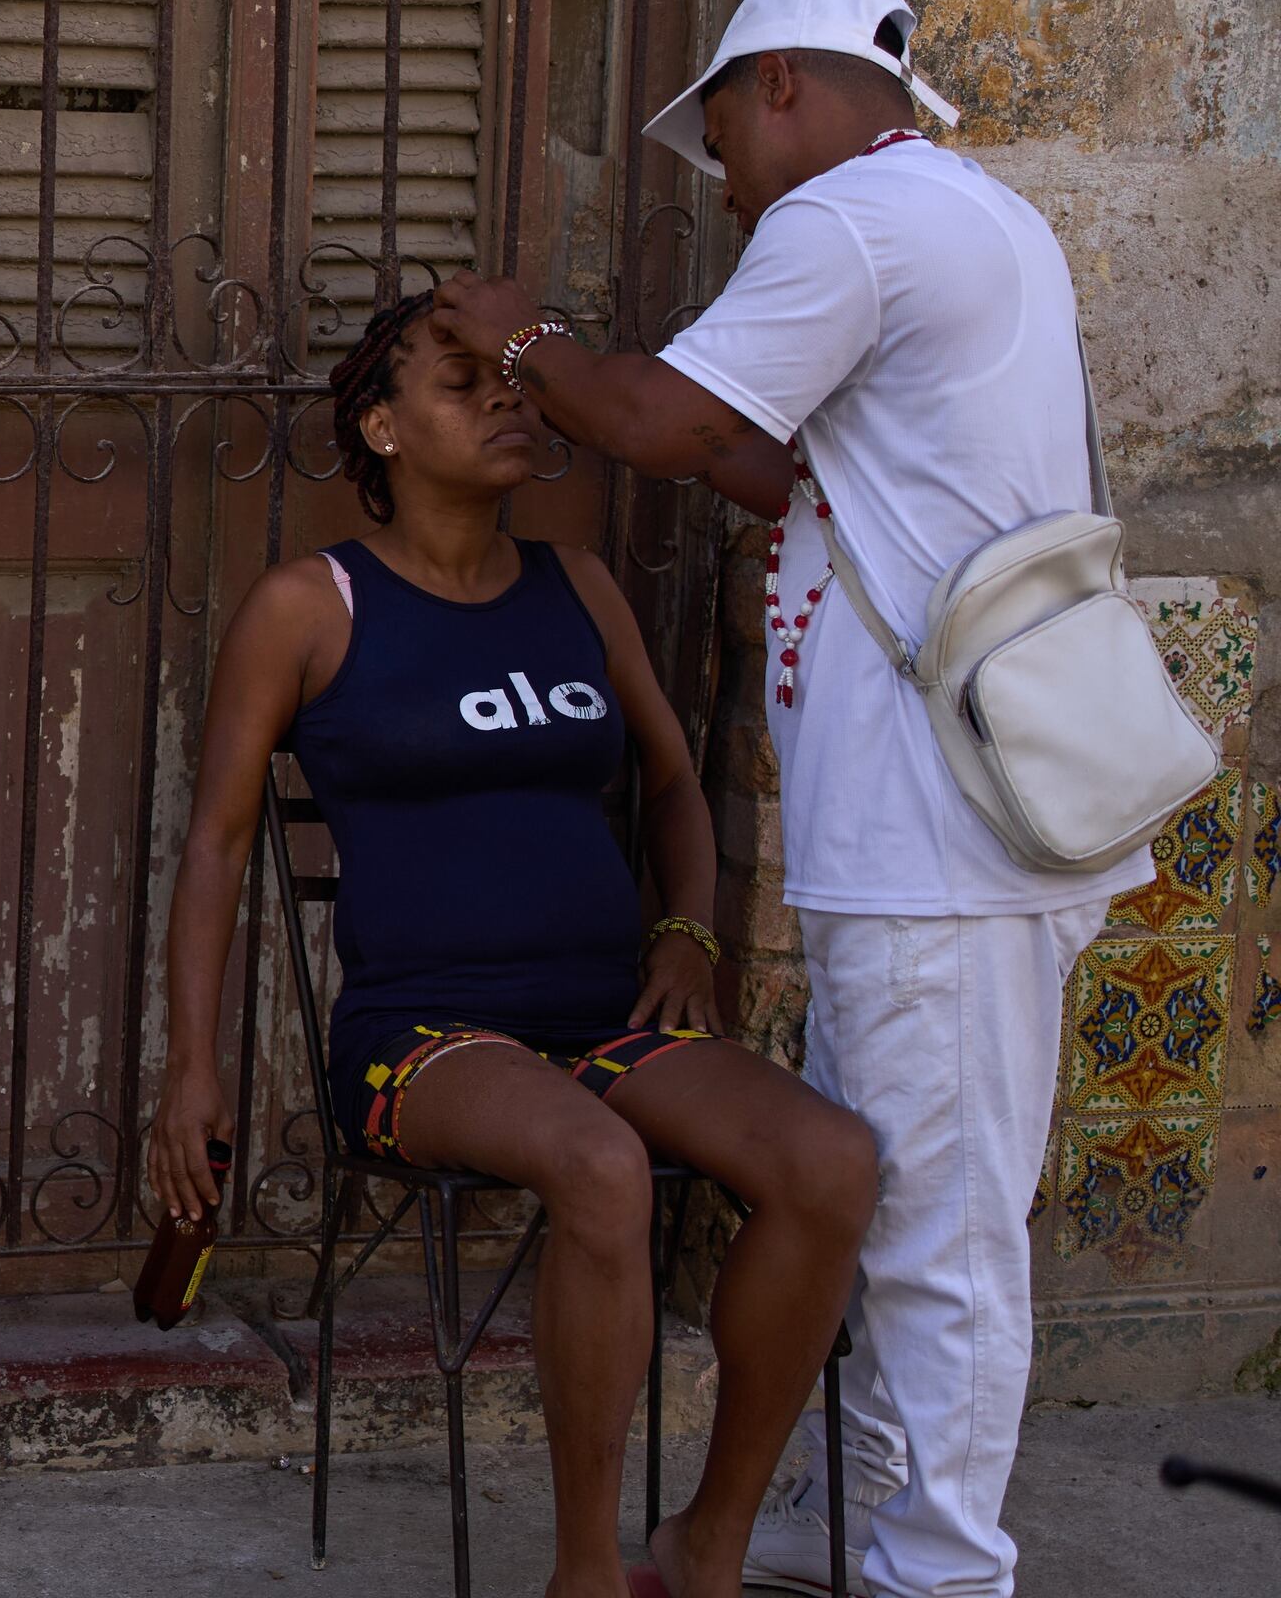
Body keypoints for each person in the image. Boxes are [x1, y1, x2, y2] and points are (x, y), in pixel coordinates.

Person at [426, 0, 1120, 1598]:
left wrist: (520, 332)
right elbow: (781, 465)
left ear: (787, 89)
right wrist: (589, 397)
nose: (722, 175)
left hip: (942, 835)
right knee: (903, 1205)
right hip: (959, 820)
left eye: (721, 130)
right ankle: (860, 1512)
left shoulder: (856, 224)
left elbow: (670, 421)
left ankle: (939, 1569)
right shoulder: (975, 215)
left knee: (938, 1243)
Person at [149, 290, 879, 1598]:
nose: (504, 400)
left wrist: (684, 929)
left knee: (830, 1160)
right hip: (423, 1039)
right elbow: (214, 843)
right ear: (378, 428)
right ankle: (585, 1571)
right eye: (460, 381)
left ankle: (707, 1542)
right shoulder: (310, 609)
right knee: (599, 1166)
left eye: (511, 381)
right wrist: (190, 1070)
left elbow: (669, 783)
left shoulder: (577, 589)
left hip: (605, 1013)